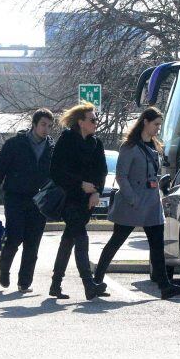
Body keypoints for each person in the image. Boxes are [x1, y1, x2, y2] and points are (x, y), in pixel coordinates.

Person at [93, 107, 180, 299]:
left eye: (159, 125)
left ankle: (164, 286)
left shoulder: (154, 146)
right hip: (132, 202)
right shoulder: (129, 147)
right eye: (156, 124)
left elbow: (152, 174)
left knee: (157, 245)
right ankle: (97, 279)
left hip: (152, 201)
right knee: (116, 241)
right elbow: (121, 176)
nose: (158, 129)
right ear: (145, 122)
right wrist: (133, 198)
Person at [0, 108, 55, 292]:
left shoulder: (51, 148)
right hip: (15, 197)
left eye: (49, 126)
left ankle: (24, 282)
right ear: (34, 124)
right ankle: (4, 268)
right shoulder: (15, 144)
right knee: (14, 238)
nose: (46, 129)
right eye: (43, 125)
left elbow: (56, 175)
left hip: (40, 201)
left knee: (33, 243)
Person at [49, 102, 108, 300]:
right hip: (68, 198)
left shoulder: (96, 143)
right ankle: (88, 284)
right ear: (81, 122)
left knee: (69, 239)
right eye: (92, 120)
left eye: (96, 119)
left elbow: (102, 171)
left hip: (87, 200)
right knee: (81, 238)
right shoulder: (66, 139)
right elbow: (56, 171)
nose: (95, 123)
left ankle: (55, 284)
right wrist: (80, 184)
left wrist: (96, 191)